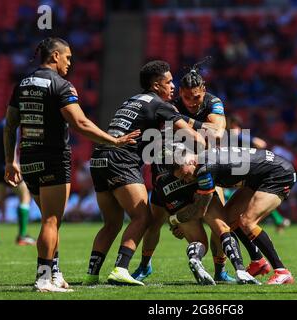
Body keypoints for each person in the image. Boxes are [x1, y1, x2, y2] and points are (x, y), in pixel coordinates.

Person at [4, 37, 139, 293]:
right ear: (55, 56)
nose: (69, 62)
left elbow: (11, 125)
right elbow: (81, 123)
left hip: (29, 159)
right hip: (53, 158)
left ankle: (54, 273)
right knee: (51, 220)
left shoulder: (22, 83)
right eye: (67, 57)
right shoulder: (60, 85)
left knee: (49, 220)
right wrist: (114, 140)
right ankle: (43, 278)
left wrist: (11, 161)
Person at [82, 60, 206, 286]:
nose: (173, 87)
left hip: (99, 159)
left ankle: (91, 274)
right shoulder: (161, 105)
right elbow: (194, 137)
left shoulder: (131, 100)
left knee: (111, 223)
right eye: (169, 82)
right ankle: (120, 269)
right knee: (143, 217)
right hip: (122, 159)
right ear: (157, 84)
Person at [132, 60, 233, 282]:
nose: (191, 102)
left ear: (203, 91)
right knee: (153, 222)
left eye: (196, 97)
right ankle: (144, 265)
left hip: (206, 170)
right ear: (180, 93)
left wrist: (183, 120)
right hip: (173, 171)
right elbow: (163, 145)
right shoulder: (172, 104)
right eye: (186, 97)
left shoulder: (212, 102)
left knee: (218, 222)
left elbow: (217, 133)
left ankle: (220, 271)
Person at [172, 146, 296, 285]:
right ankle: (258, 262)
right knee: (229, 218)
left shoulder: (205, 168)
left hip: (278, 173)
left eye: (185, 175)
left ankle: (282, 271)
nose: (187, 180)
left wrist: (176, 220)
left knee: (248, 222)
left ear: (191, 162)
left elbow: (201, 210)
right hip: (259, 177)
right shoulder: (204, 161)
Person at [150, 165, 260, 285]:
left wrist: (174, 222)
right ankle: (240, 270)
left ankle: (195, 258)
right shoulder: (194, 156)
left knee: (199, 241)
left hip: (165, 185)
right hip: (197, 177)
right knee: (222, 228)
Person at [0, 118, 36, 245]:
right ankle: (22, 235)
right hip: (9, 166)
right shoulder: (12, 126)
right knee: (25, 196)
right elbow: (11, 145)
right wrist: (14, 164)